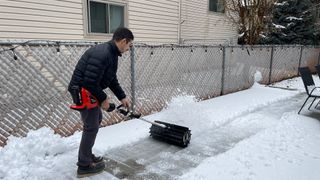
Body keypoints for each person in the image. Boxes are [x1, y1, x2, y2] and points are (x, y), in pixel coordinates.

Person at [68, 27, 134, 177]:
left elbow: (111, 79)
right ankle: (84, 165)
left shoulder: (111, 54)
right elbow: (89, 82)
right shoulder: (103, 53)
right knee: (91, 126)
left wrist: (121, 96)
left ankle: (86, 154)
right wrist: (103, 100)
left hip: (88, 89)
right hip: (82, 91)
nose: (129, 49)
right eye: (129, 45)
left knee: (95, 121)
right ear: (123, 41)